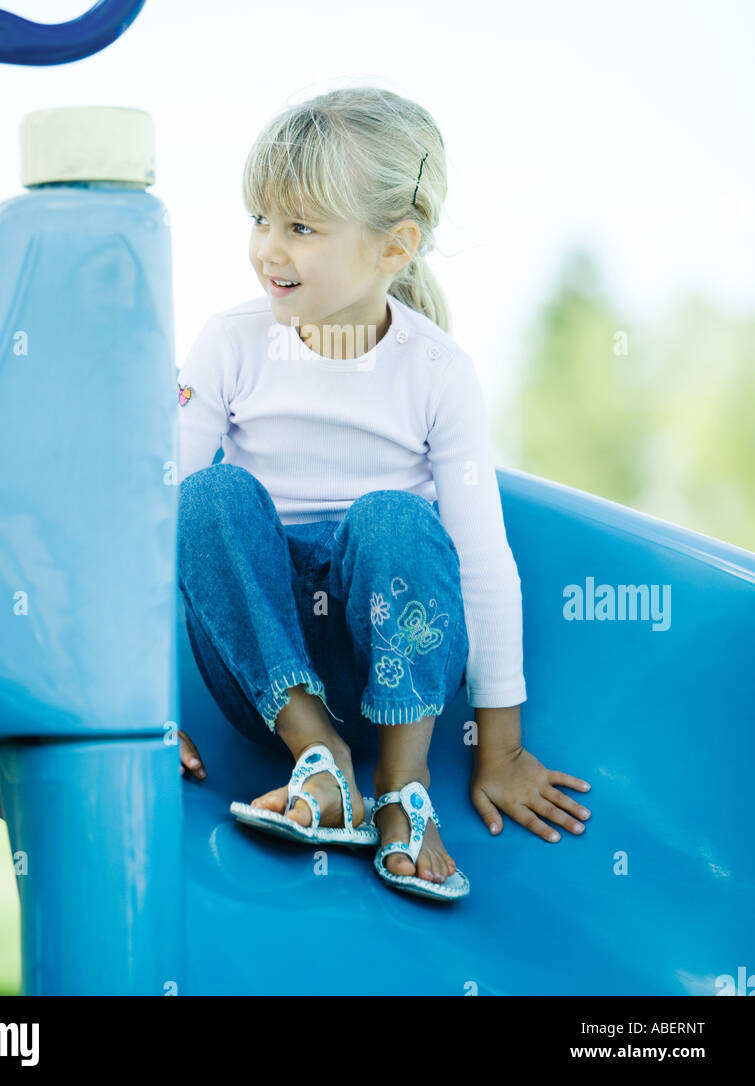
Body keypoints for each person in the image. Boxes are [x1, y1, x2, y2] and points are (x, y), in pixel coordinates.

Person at [174, 85, 590, 900]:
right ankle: (316, 759)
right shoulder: (230, 343)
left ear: (394, 246)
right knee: (208, 497)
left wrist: (498, 749)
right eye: (259, 219)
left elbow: (479, 559)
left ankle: (402, 790)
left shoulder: (437, 373)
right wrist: (127, 712)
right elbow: (154, 523)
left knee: (395, 518)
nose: (267, 250)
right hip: (264, 670)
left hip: (388, 661)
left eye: (299, 228)